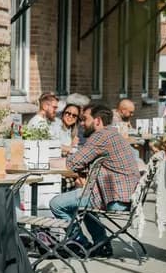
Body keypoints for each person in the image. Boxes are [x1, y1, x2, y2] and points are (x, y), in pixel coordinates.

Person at [49, 105, 140, 257]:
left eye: (85, 119)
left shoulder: (100, 136)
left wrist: (46, 162)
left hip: (116, 198)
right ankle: (101, 244)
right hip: (125, 195)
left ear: (97, 121)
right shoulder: (113, 134)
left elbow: (73, 163)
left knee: (57, 204)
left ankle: (79, 243)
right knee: (84, 202)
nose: (82, 123)